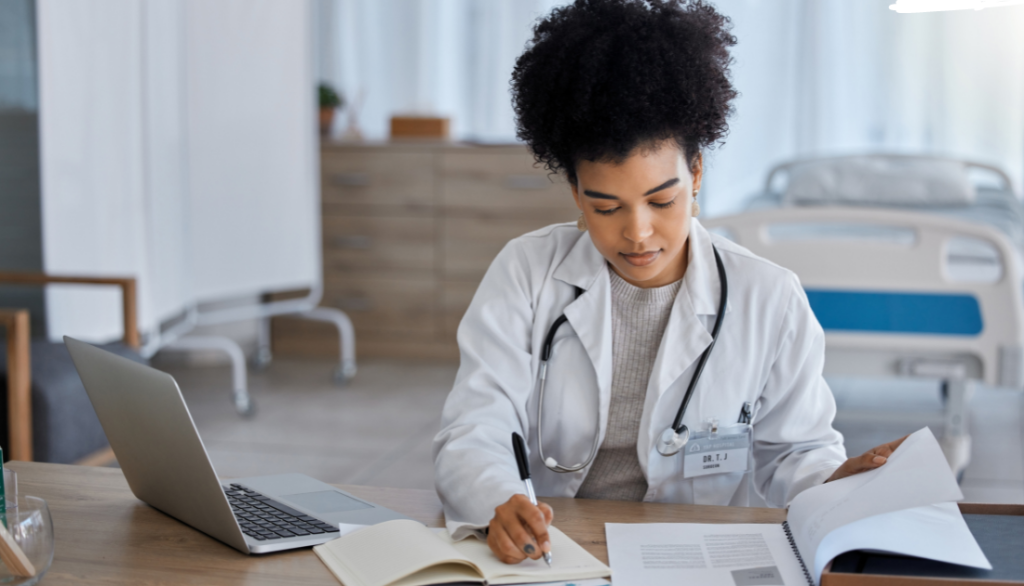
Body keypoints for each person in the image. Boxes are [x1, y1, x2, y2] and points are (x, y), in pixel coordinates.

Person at [432, 0, 906, 566]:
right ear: (577, 194)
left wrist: (836, 480)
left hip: (692, 554)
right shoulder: (526, 272)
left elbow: (795, 453)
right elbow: (476, 423)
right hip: (552, 554)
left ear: (697, 172)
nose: (638, 232)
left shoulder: (768, 297)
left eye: (662, 200)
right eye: (606, 207)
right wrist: (497, 498)